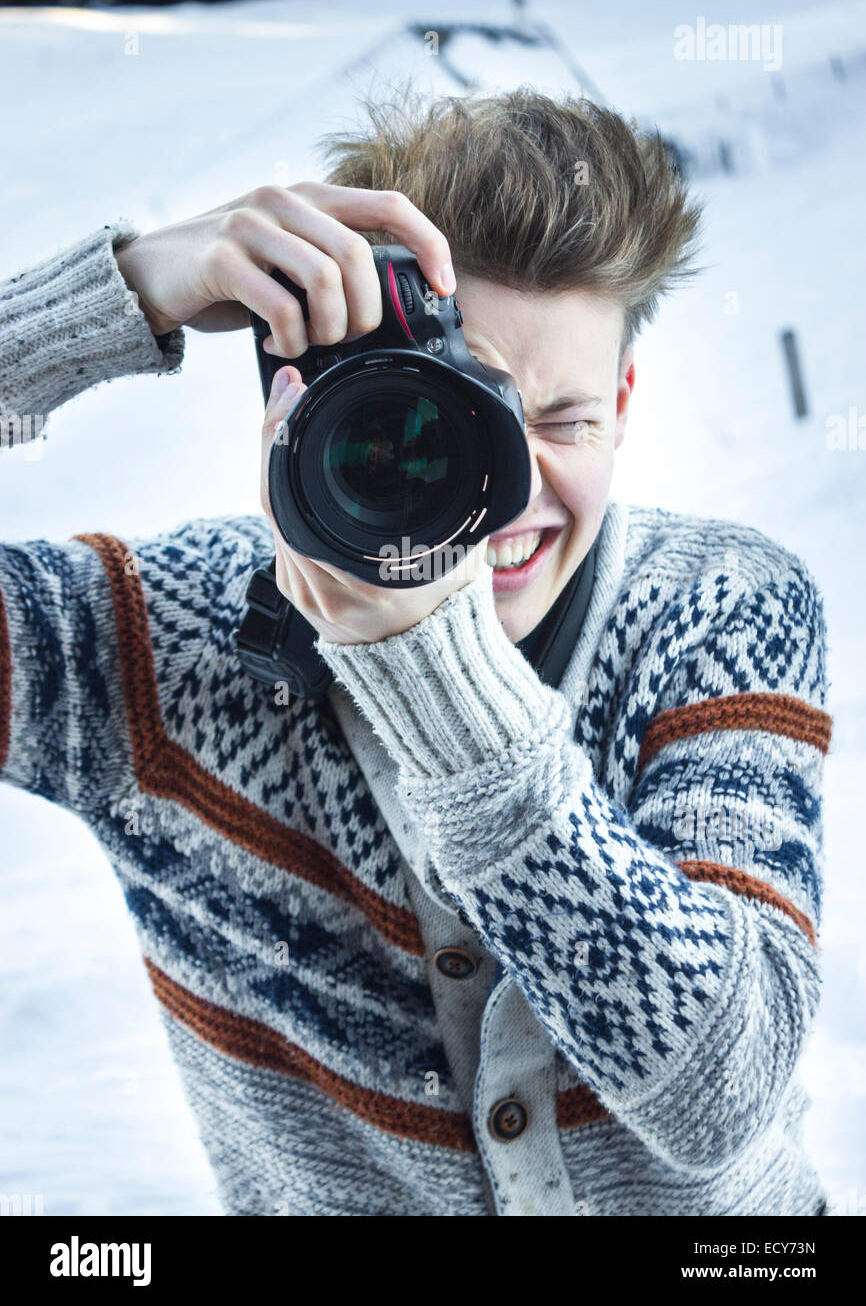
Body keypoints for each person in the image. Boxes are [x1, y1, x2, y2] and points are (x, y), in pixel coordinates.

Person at [0, 88, 832, 1217]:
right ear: (319, 399)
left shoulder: (718, 606)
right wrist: (110, 297)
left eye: (565, 420)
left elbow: (719, 1090)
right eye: (455, 415)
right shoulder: (162, 643)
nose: (511, 490)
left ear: (625, 404)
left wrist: (432, 671)